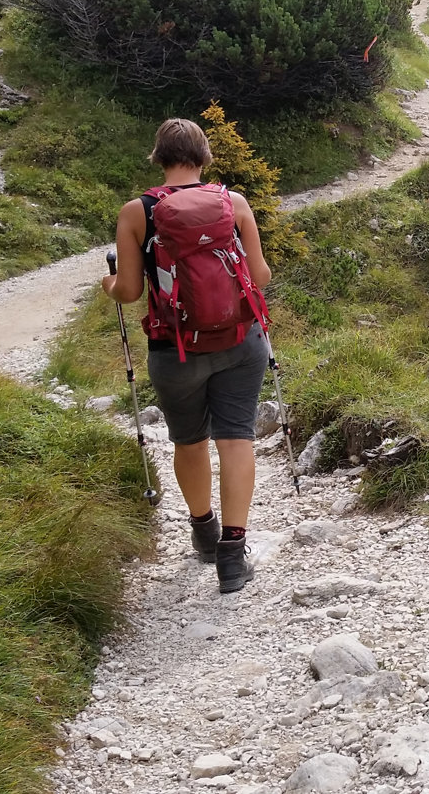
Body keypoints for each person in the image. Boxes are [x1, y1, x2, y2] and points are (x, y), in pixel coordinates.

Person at [102, 118, 274, 593]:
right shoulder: (233, 203)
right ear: (204, 157)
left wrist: (109, 284)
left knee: (190, 440)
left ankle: (204, 532)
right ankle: (233, 558)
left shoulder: (138, 212)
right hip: (241, 342)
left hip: (175, 349)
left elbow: (131, 291)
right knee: (236, 438)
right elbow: (259, 277)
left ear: (158, 157)